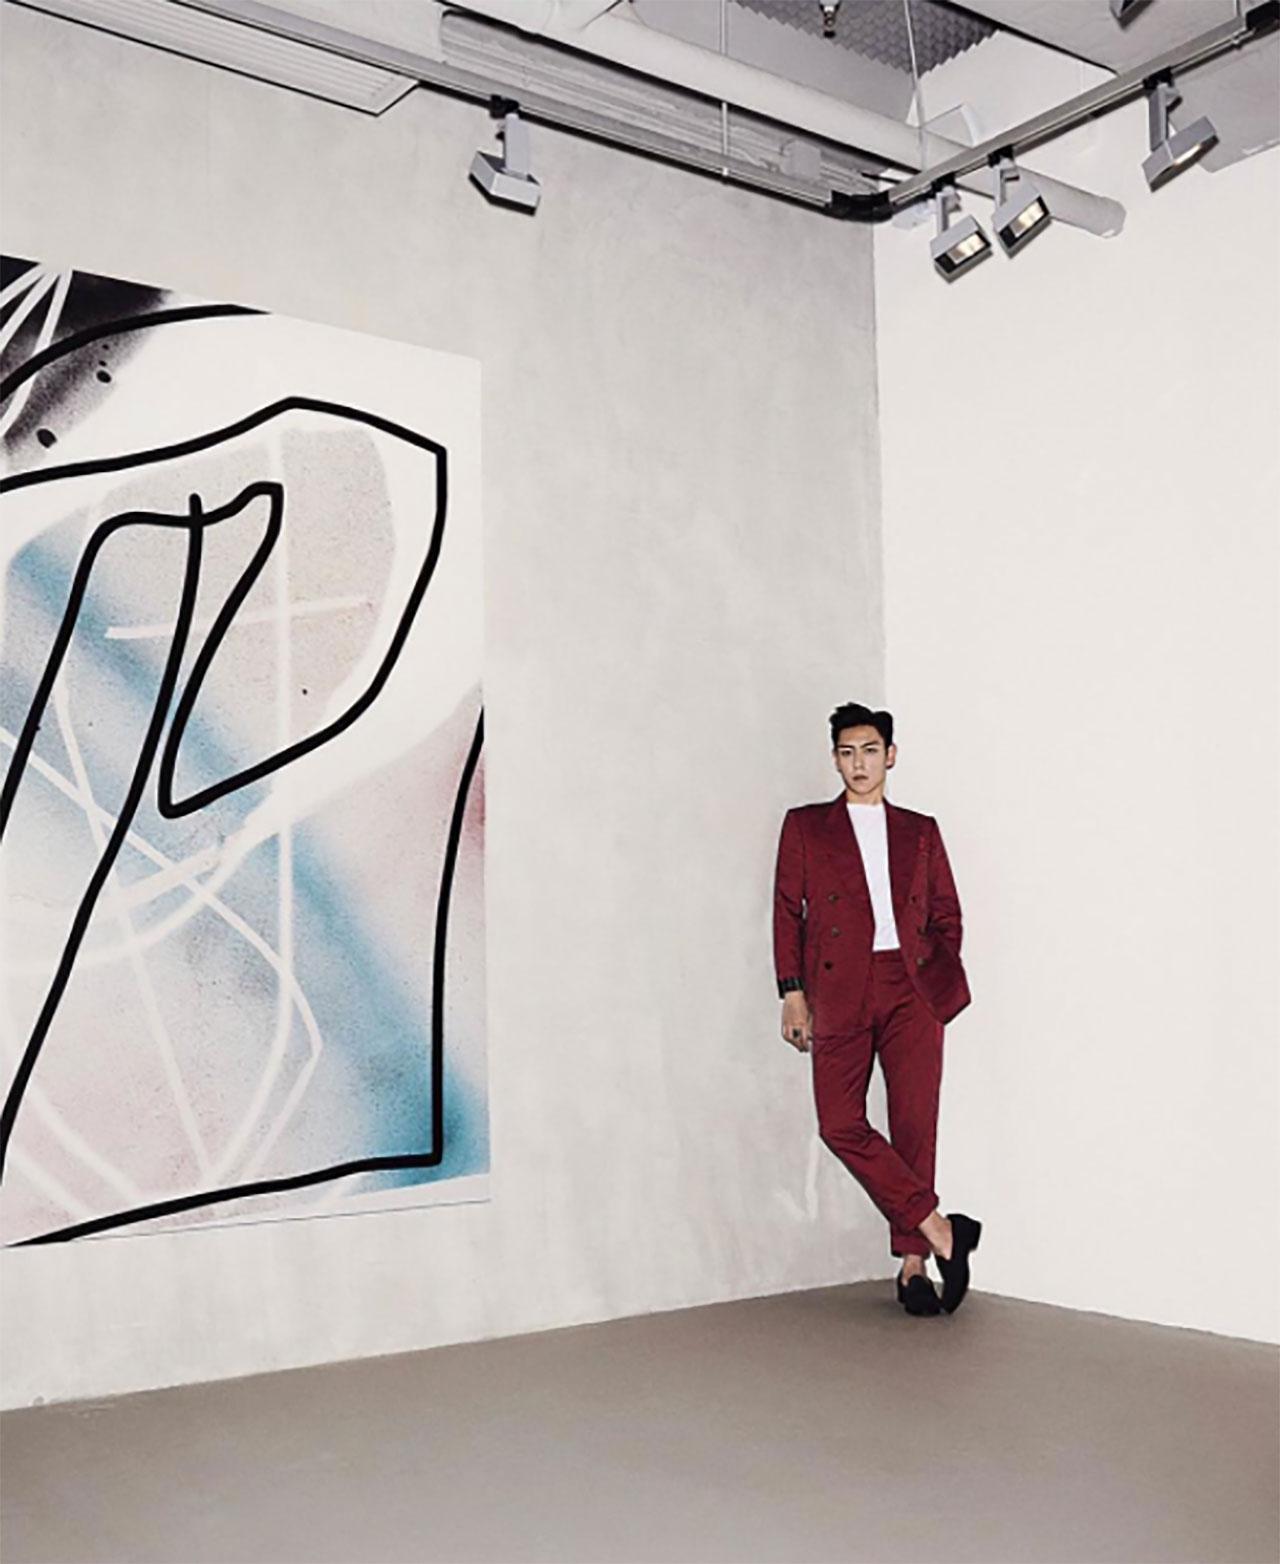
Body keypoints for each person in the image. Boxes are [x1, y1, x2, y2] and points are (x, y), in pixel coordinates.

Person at [772, 702, 982, 1317]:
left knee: (915, 1122)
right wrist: (792, 991)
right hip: (839, 987)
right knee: (839, 1121)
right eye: (847, 753)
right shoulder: (806, 827)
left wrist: (933, 971)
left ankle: (913, 1265)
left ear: (890, 755)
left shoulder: (920, 831)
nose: (858, 764)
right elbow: (786, 911)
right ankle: (941, 1229)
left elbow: (947, 912)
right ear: (835, 759)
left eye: (869, 751)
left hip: (910, 988)